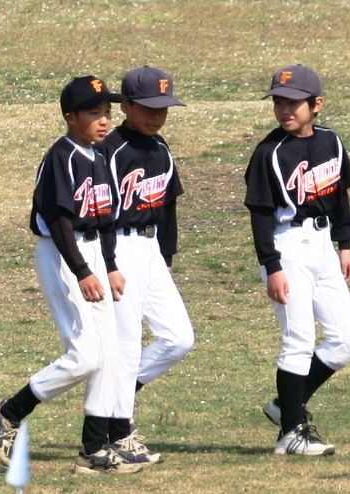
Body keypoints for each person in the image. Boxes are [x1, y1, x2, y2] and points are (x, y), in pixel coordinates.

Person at [0, 76, 142, 475]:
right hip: (62, 255)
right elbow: (58, 221)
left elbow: (106, 219)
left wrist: (110, 265)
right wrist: (83, 271)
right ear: (70, 117)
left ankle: (94, 450)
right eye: (94, 113)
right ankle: (8, 412)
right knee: (85, 356)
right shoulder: (62, 156)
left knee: (109, 354)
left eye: (107, 112)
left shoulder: (98, 155)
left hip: (92, 254)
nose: (104, 121)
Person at [244, 64, 350, 455]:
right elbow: (260, 214)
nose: (284, 110)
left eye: (293, 103)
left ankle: (285, 406)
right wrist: (272, 265)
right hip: (287, 246)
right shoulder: (269, 152)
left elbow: (339, 195)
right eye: (278, 102)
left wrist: (345, 243)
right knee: (299, 341)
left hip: (323, 245)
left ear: (317, 105)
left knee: (345, 339)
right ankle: (291, 434)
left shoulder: (331, 141)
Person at [94, 66, 194, 466]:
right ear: (127, 106)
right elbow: (99, 211)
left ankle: (113, 397)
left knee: (179, 338)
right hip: (118, 247)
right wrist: (108, 261)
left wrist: (166, 257)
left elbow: (168, 205)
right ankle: (119, 432)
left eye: (163, 108)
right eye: (149, 107)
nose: (157, 115)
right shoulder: (110, 148)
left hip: (151, 251)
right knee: (126, 343)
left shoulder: (160, 147)